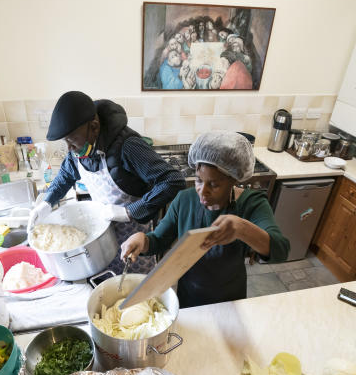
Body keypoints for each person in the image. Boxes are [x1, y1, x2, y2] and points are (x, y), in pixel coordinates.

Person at [120, 131, 290, 308]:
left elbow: (281, 250)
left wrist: (241, 228)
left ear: (233, 180)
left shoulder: (251, 204)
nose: (203, 190)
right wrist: (142, 239)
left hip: (230, 299)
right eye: (199, 180)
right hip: (188, 295)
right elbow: (159, 240)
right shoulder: (184, 200)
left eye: (214, 184)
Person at [29, 91, 185, 273]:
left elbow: (173, 181)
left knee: (133, 287)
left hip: (133, 235)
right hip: (101, 234)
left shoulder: (128, 147)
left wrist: (128, 211)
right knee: (107, 281)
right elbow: (65, 177)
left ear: (94, 127)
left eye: (72, 141)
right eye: (66, 142)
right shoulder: (79, 151)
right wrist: (47, 203)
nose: (69, 148)